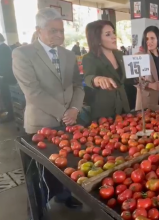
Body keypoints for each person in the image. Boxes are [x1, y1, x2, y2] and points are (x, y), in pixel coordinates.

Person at [12, 8, 84, 209]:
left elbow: (78, 85)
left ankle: (64, 195)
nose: (59, 35)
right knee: (41, 172)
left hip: (69, 121)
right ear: (38, 30)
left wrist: (75, 109)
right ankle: (38, 208)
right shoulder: (22, 54)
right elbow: (32, 91)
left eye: (61, 30)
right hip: (41, 123)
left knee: (67, 163)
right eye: (53, 31)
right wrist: (64, 112)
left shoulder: (69, 55)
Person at [82, 20, 132, 119]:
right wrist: (98, 80)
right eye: (108, 34)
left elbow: (126, 78)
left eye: (113, 33)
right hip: (104, 110)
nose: (114, 37)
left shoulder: (119, 54)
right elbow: (88, 77)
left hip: (124, 105)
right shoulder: (89, 58)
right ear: (97, 39)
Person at [0, 33, 16, 122]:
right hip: (6, 76)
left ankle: (10, 114)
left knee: (7, 96)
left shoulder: (3, 48)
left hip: (6, 77)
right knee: (6, 96)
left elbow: (5, 64)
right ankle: (10, 113)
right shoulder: (4, 47)